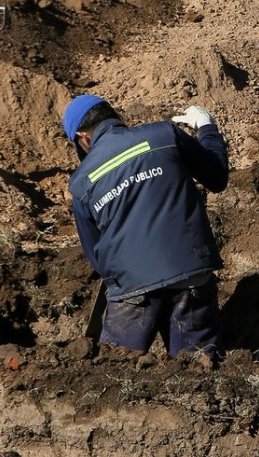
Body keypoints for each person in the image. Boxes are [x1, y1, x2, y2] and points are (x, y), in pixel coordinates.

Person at [63, 95, 229, 359]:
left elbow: (96, 255)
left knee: (116, 373)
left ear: (84, 137)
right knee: (199, 368)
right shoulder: (165, 134)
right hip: (191, 273)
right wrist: (207, 128)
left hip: (132, 288)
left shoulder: (81, 182)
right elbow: (217, 177)